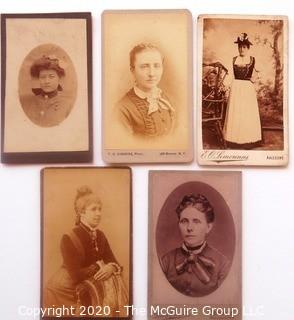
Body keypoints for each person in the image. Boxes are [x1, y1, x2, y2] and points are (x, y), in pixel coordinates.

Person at [44, 186, 128, 316]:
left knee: (116, 282)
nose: (98, 213)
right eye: (93, 209)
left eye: (100, 209)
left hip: (90, 280)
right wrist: (99, 265)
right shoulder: (69, 238)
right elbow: (76, 275)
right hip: (64, 288)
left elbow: (113, 261)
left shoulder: (100, 235)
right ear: (82, 212)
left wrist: (110, 267)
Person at [161, 194, 230, 297]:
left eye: (196, 221)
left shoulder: (223, 265)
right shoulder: (166, 261)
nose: (189, 228)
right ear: (178, 224)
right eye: (184, 221)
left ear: (208, 227)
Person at [116, 43, 175, 137]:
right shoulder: (122, 109)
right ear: (132, 70)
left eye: (156, 66)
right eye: (144, 66)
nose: (152, 73)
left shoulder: (166, 99)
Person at [223, 33, 262, 149]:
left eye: (244, 47)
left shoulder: (252, 60)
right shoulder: (234, 59)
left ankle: (248, 140)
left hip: (247, 89)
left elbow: (258, 74)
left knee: (246, 113)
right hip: (236, 88)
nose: (241, 49)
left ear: (248, 48)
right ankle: (233, 140)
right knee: (236, 112)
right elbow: (230, 76)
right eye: (239, 47)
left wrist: (254, 79)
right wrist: (226, 86)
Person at [20, 55, 73, 127]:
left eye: (51, 77)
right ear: (39, 79)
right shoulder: (27, 102)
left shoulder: (68, 105)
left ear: (59, 78)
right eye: (42, 77)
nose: (46, 81)